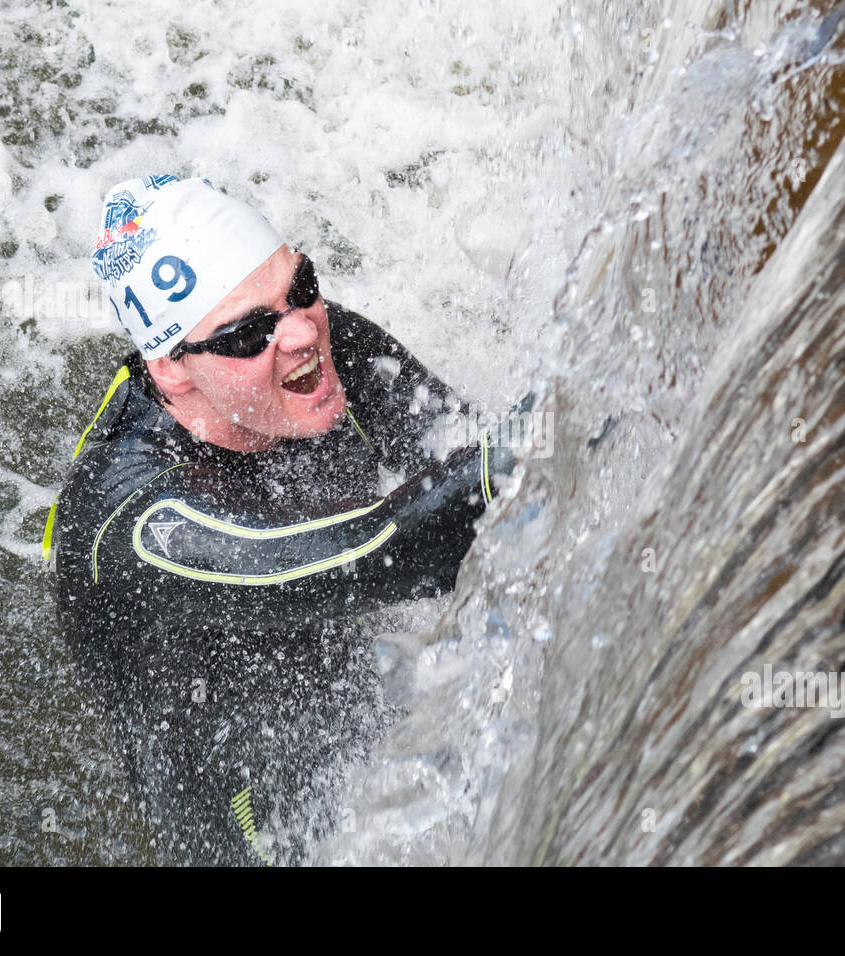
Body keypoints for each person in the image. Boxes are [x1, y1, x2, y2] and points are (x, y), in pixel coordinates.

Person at [45, 174, 525, 865]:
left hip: (358, 663)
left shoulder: (320, 353)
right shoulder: (141, 525)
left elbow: (478, 472)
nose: (302, 331)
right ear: (173, 369)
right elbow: (382, 549)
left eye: (300, 288)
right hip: (249, 798)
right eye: (249, 332)